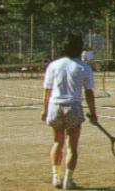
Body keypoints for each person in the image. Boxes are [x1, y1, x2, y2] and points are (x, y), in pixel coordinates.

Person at [42, 33, 98, 190]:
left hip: (55, 106)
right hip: (73, 107)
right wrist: (93, 114)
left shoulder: (53, 65)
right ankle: (68, 180)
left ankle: (56, 177)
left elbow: (47, 90)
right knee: (72, 147)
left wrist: (44, 110)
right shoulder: (83, 67)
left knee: (57, 142)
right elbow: (89, 93)